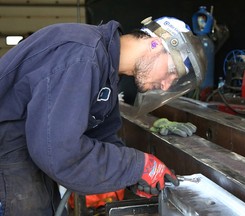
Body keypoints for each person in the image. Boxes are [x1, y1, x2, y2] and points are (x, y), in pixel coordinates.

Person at [0, 16, 206, 215]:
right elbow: (61, 152)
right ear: (154, 44)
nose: (166, 84)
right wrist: (135, 165)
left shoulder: (106, 70)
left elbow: (102, 135)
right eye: (172, 71)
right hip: (7, 147)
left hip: (24, 150)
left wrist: (132, 176)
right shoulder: (83, 55)